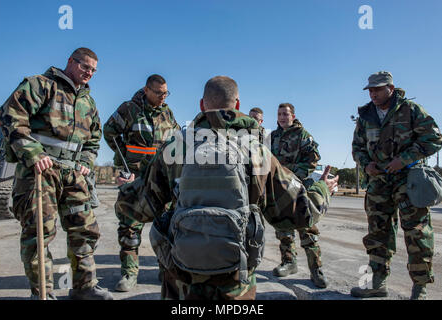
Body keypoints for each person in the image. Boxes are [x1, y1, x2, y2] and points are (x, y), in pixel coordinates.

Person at [138, 75, 339, 300]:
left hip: (181, 278)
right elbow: (301, 213)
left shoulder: (174, 147)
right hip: (236, 279)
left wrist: (129, 187)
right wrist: (323, 188)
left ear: (202, 105)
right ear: (238, 105)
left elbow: (140, 208)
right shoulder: (258, 151)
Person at [0, 48, 113, 300]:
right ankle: (43, 293)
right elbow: (11, 115)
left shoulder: (88, 101)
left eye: (94, 70)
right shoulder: (40, 85)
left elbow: (94, 138)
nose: (89, 73)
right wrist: (32, 153)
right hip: (41, 171)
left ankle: (84, 288)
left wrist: (86, 160)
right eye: (85, 67)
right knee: (39, 232)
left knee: (85, 230)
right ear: (71, 62)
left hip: (74, 174)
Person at [351, 71, 442, 300]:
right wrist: (366, 164)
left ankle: (420, 290)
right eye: (370, 90)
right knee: (377, 235)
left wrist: (405, 159)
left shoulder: (410, 110)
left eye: (378, 89)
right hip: (379, 183)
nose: (373, 93)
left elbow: (434, 138)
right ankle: (377, 284)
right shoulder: (365, 116)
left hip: (408, 180)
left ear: (390, 89)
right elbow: (357, 147)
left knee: (417, 235)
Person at [103, 74, 179, 292]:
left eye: (166, 93)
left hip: (161, 180)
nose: (163, 97)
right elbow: (110, 133)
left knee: (165, 225)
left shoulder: (168, 113)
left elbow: (174, 141)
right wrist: (123, 162)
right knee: (129, 227)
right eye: (158, 93)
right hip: (135, 178)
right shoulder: (129, 109)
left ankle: (164, 269)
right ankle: (129, 273)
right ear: (146, 90)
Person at [269, 103, 327, 288]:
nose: (282, 117)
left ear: (293, 116)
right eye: (279, 114)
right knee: (283, 228)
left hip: (299, 187)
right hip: (280, 189)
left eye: (285, 114)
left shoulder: (303, 135)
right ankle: (289, 262)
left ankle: (316, 269)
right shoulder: (272, 137)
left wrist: (291, 172)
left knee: (307, 228)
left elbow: (313, 160)